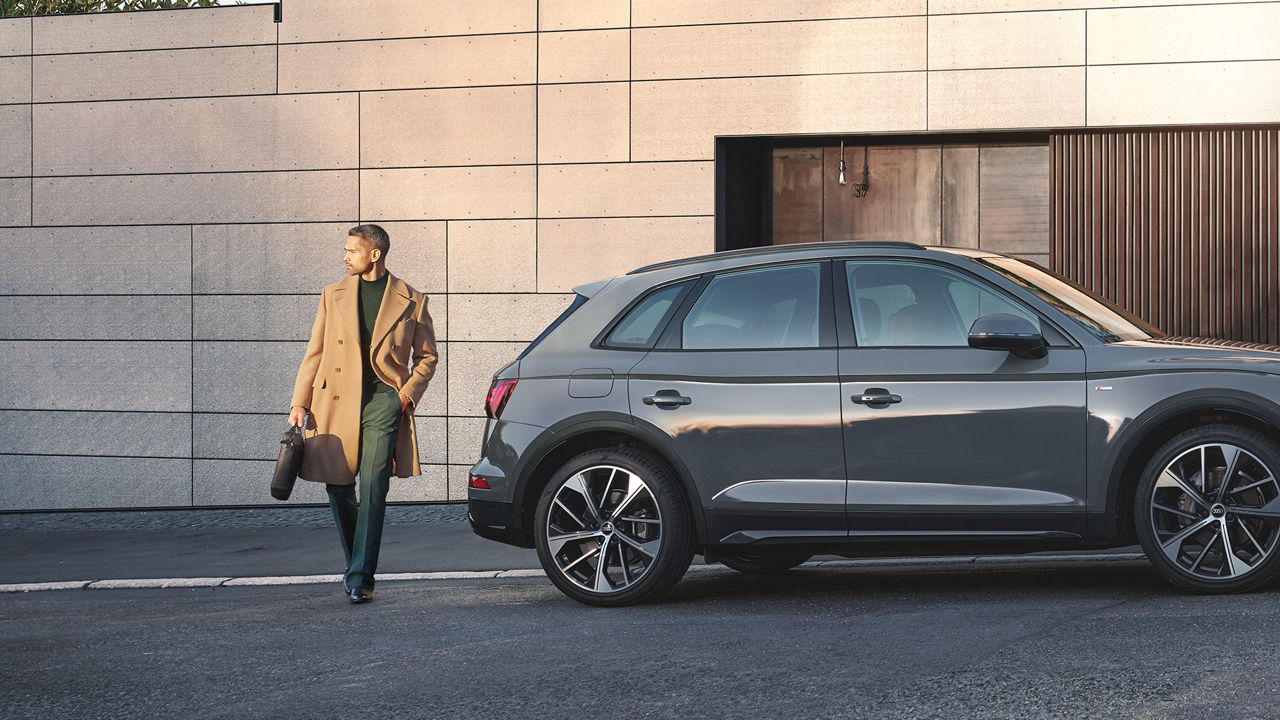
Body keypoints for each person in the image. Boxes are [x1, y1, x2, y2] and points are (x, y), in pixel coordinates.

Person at [288, 224, 438, 604]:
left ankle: (361, 576)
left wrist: (405, 396)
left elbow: (427, 357)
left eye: (351, 250)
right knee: (338, 485)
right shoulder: (332, 294)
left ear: (374, 254)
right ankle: (358, 557)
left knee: (374, 486)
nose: (345, 256)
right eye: (345, 250)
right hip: (335, 400)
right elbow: (316, 351)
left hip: (383, 401)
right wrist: (299, 402)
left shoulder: (412, 299)